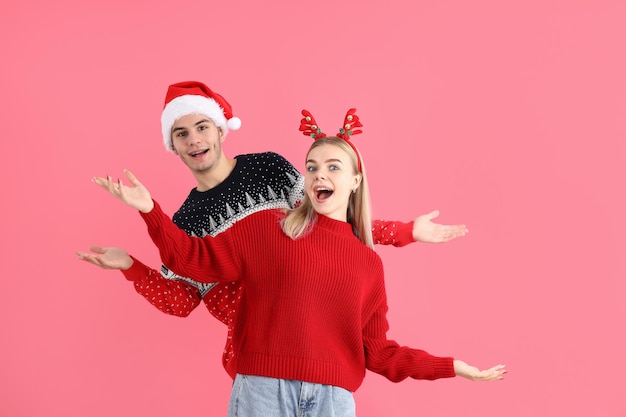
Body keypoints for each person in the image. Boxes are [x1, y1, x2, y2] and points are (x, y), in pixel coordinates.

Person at [91, 109, 505, 416]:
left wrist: (452, 367)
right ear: (173, 144)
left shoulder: (273, 178)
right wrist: (140, 236)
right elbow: (186, 269)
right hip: (261, 373)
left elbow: (377, 348)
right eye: (312, 167)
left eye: (201, 127)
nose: (194, 139)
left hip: (332, 395)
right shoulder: (251, 228)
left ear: (220, 130)